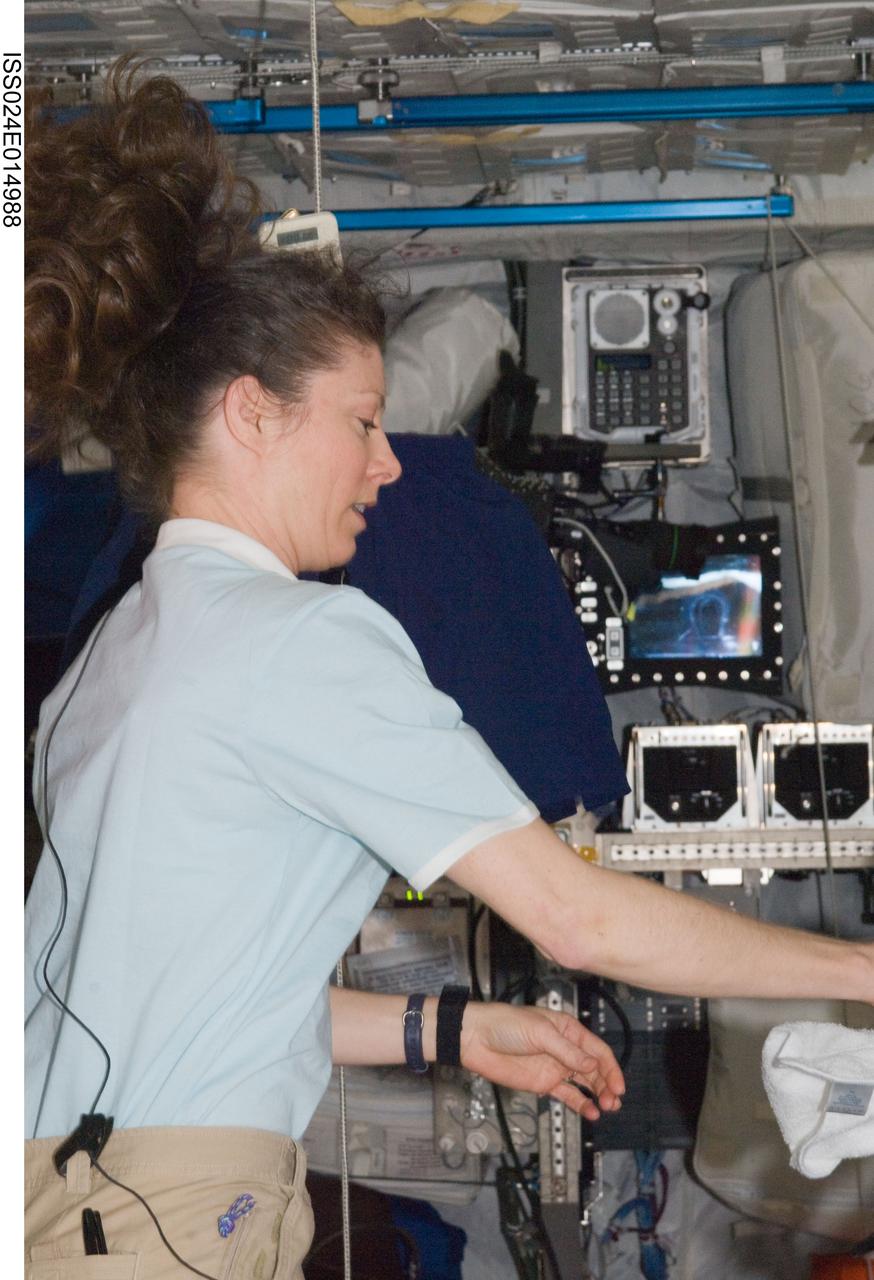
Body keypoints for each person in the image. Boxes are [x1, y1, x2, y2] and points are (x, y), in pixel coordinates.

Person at [24, 62, 872, 1280]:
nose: (384, 466)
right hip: (163, 1203)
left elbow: (198, 994)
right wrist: (855, 969)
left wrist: (448, 1023)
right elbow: (575, 915)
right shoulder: (298, 637)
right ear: (255, 413)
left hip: (69, 1183)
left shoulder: (116, 654)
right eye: (363, 423)